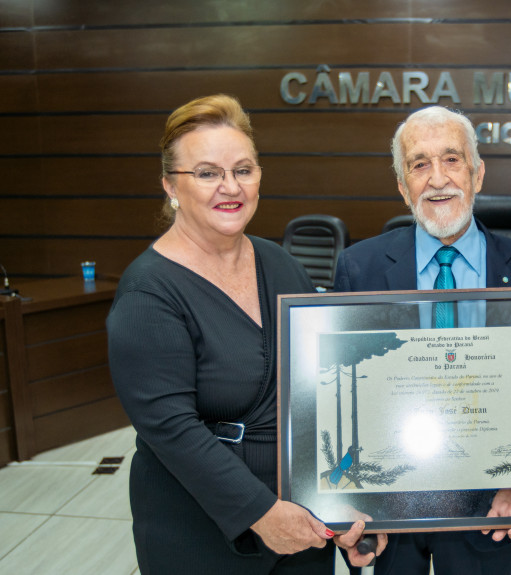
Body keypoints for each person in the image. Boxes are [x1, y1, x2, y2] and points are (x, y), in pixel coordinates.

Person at [107, 94, 385, 575]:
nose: (230, 187)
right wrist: (260, 513)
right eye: (208, 173)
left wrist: (349, 506)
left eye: (244, 169)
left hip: (302, 519)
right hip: (201, 526)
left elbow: (323, 392)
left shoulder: (280, 263)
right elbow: (170, 427)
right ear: (170, 186)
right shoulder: (148, 291)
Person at [334, 106, 511, 575]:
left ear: (478, 174)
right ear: (403, 186)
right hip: (389, 498)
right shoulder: (359, 268)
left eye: (452, 160)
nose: (438, 179)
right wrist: (343, 497)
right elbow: (342, 390)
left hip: (492, 499)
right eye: (419, 164)